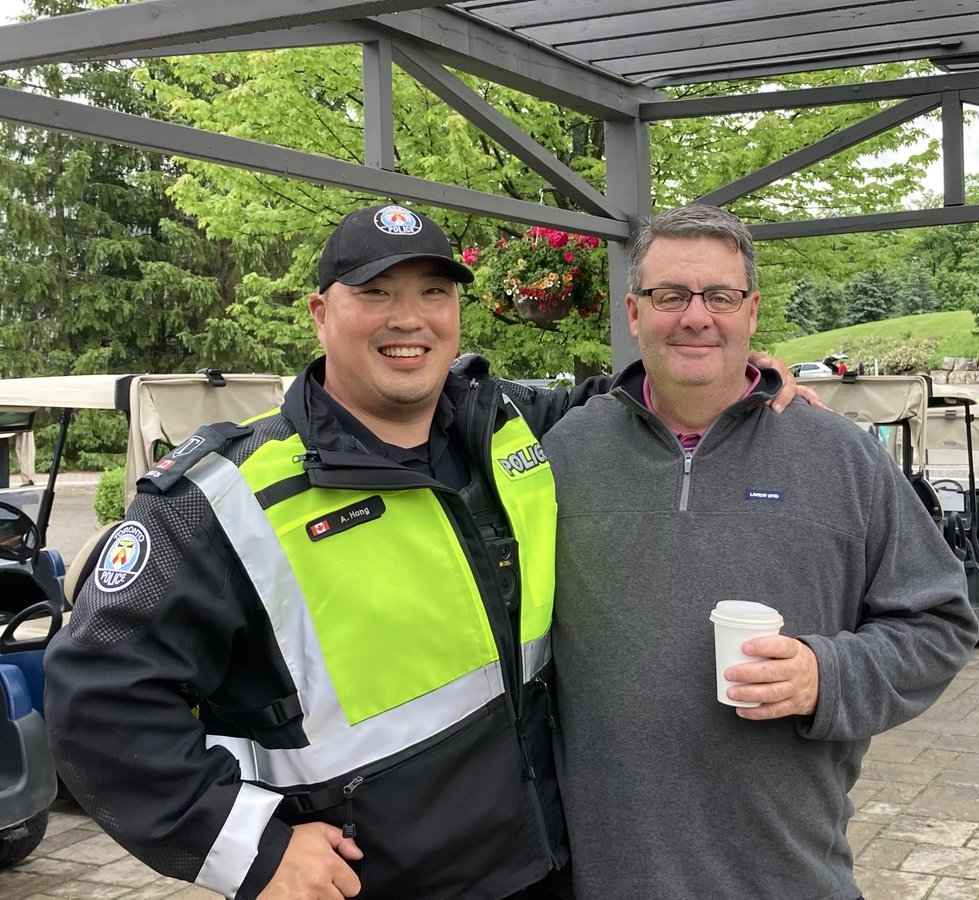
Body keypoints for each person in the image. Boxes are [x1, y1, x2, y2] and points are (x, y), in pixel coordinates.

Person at [44, 202, 815, 900]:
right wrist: (250, 848)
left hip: (547, 866)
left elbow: (624, 402)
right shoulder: (223, 499)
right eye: (374, 293)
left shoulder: (506, 426)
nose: (407, 318)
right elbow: (97, 697)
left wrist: (745, 382)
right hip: (373, 882)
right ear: (320, 313)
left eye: (433, 292)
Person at [541, 204, 977, 899]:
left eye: (720, 296)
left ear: (751, 310)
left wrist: (825, 675)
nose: (696, 317)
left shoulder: (839, 456)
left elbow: (941, 622)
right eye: (670, 295)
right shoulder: (564, 455)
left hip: (788, 874)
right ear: (634, 311)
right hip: (609, 877)